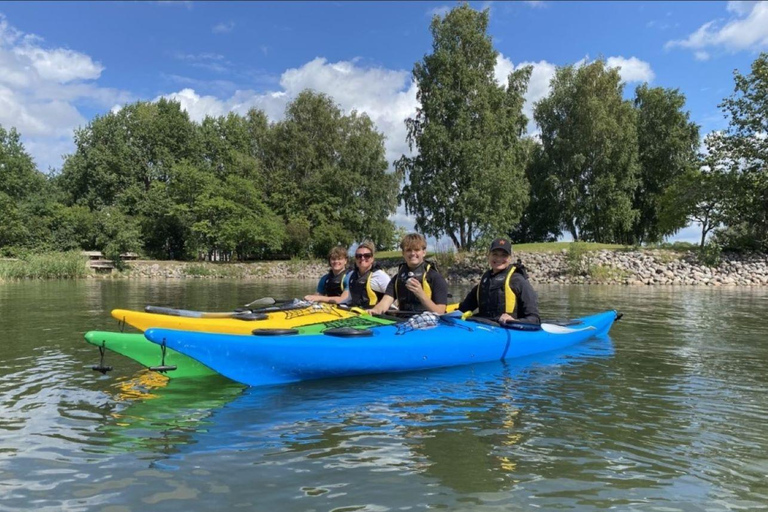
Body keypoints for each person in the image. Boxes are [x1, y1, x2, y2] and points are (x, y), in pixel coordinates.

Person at [457, 237, 540, 325]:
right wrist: (443, 311)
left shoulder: (518, 280)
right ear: (489, 256)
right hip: (484, 326)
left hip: (507, 329)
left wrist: (514, 321)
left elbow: (534, 319)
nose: (499, 258)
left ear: (510, 258)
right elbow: (463, 308)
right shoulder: (485, 280)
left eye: (504, 255)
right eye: (495, 254)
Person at [369, 233, 448, 315]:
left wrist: (421, 294)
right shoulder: (397, 279)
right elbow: (385, 303)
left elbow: (440, 312)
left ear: (424, 252)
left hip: (429, 321)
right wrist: (375, 310)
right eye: (408, 250)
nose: (413, 253)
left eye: (417, 250)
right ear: (403, 253)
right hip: (404, 320)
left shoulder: (436, 278)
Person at [307, 241, 390, 307]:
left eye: (367, 256)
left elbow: (393, 296)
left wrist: (379, 309)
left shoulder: (379, 276)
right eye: (359, 256)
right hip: (358, 313)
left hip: (378, 315)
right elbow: (347, 299)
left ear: (372, 259)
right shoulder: (353, 276)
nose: (362, 258)